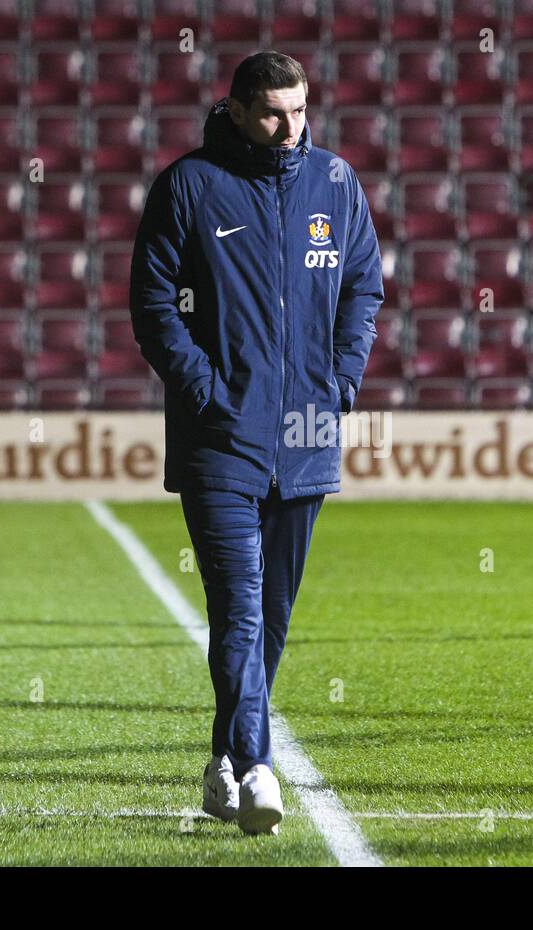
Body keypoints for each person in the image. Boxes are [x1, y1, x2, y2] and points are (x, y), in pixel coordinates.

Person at [130, 52, 382, 832]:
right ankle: (259, 769)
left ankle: (223, 760)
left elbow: (364, 288)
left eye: (300, 110)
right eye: (272, 112)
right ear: (235, 110)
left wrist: (341, 380)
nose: (289, 127)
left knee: (270, 621)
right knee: (238, 611)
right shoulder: (189, 185)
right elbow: (151, 304)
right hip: (220, 443)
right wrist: (206, 390)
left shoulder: (336, 185)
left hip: (307, 439)